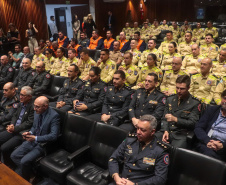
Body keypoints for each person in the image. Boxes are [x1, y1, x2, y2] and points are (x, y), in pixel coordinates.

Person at [109, 115, 169, 185]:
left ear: (152, 132)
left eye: (142, 130)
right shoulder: (130, 140)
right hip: (120, 182)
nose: (138, 132)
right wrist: (116, 177)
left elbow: (160, 178)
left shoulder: (160, 150)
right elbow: (113, 159)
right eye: (137, 128)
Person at [11, 96, 60, 181]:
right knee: (14, 156)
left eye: (37, 107)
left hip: (43, 144)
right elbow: (34, 127)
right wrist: (30, 133)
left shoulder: (54, 116)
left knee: (23, 161)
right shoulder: (36, 112)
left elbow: (53, 136)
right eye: (34, 106)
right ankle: (31, 173)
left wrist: (36, 138)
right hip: (32, 140)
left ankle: (25, 179)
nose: (34, 109)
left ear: (45, 106)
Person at [158, 75, 201, 148]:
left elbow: (193, 123)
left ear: (188, 88)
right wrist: (165, 130)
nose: (178, 91)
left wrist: (176, 119)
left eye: (182, 89)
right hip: (167, 131)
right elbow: (164, 118)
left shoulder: (195, 103)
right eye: (177, 88)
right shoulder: (170, 99)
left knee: (175, 152)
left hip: (181, 135)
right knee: (151, 142)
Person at [0, 86, 34, 167]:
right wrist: (12, 124)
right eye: (20, 94)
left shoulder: (33, 107)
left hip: (21, 133)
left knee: (4, 148)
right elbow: (15, 115)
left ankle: (9, 167)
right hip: (13, 128)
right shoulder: (21, 102)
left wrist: (14, 128)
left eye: (23, 95)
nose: (20, 97)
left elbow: (29, 123)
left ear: (29, 97)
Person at [195, 89, 226, 162]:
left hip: (223, 148)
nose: (225, 102)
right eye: (225, 98)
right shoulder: (212, 110)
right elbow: (198, 128)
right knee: (208, 154)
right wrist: (207, 141)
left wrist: (222, 146)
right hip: (207, 143)